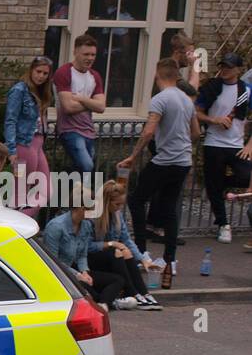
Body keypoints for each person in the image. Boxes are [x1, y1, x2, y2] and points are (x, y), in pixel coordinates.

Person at [120, 58, 199, 280]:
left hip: (164, 160)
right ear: (177, 76)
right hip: (183, 161)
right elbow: (195, 133)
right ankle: (169, 260)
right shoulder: (186, 100)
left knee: (136, 201)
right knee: (169, 208)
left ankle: (141, 252)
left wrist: (133, 157)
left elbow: (148, 131)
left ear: (158, 76)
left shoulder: (160, 99)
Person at [195, 53, 250, 244]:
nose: (225, 70)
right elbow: (197, 112)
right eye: (223, 66)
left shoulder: (246, 91)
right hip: (214, 142)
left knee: (245, 176)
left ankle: (219, 186)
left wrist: (250, 145)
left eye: (229, 67)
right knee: (214, 184)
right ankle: (223, 224)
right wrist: (214, 120)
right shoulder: (212, 87)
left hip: (236, 144)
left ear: (238, 69)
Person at [89, 179, 162, 309]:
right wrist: (112, 244)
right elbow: (87, 246)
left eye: (122, 204)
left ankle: (143, 293)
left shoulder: (117, 215)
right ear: (107, 202)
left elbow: (126, 239)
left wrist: (142, 259)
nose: (120, 208)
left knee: (126, 251)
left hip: (110, 256)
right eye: (117, 204)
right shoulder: (92, 217)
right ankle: (132, 293)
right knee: (116, 251)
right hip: (92, 258)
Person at [43, 204, 125, 307]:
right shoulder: (56, 227)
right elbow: (52, 262)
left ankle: (104, 303)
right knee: (87, 291)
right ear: (82, 208)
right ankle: (107, 302)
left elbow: (82, 254)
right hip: (60, 274)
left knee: (118, 280)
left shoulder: (86, 225)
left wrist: (85, 271)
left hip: (75, 269)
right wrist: (77, 275)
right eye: (92, 210)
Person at [4, 56, 54, 217]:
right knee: (21, 192)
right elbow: (10, 120)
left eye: (45, 73)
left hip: (37, 144)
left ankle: (18, 221)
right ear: (31, 70)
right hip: (23, 145)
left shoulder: (41, 92)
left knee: (46, 190)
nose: (41, 76)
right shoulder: (19, 90)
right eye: (38, 71)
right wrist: (11, 150)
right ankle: (16, 225)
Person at [53, 34, 105, 175]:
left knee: (84, 170)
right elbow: (68, 107)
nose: (90, 58)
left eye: (93, 54)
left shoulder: (95, 76)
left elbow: (101, 107)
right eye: (86, 54)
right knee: (87, 166)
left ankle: (71, 194)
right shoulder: (64, 72)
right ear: (75, 52)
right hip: (69, 129)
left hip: (88, 129)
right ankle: (67, 190)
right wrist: (91, 102)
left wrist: (82, 98)